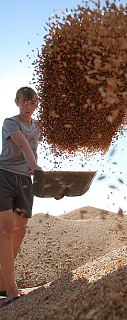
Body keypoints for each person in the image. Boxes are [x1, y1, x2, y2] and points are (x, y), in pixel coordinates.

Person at [0, 87, 42, 308]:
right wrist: (36, 167)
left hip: (25, 179)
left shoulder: (38, 127)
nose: (28, 106)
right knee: (6, 229)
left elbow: (34, 150)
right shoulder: (10, 122)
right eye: (24, 102)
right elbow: (23, 145)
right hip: (4, 175)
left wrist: (40, 178)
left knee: (21, 229)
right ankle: (11, 290)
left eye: (32, 102)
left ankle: (1, 280)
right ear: (17, 102)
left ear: (36, 104)